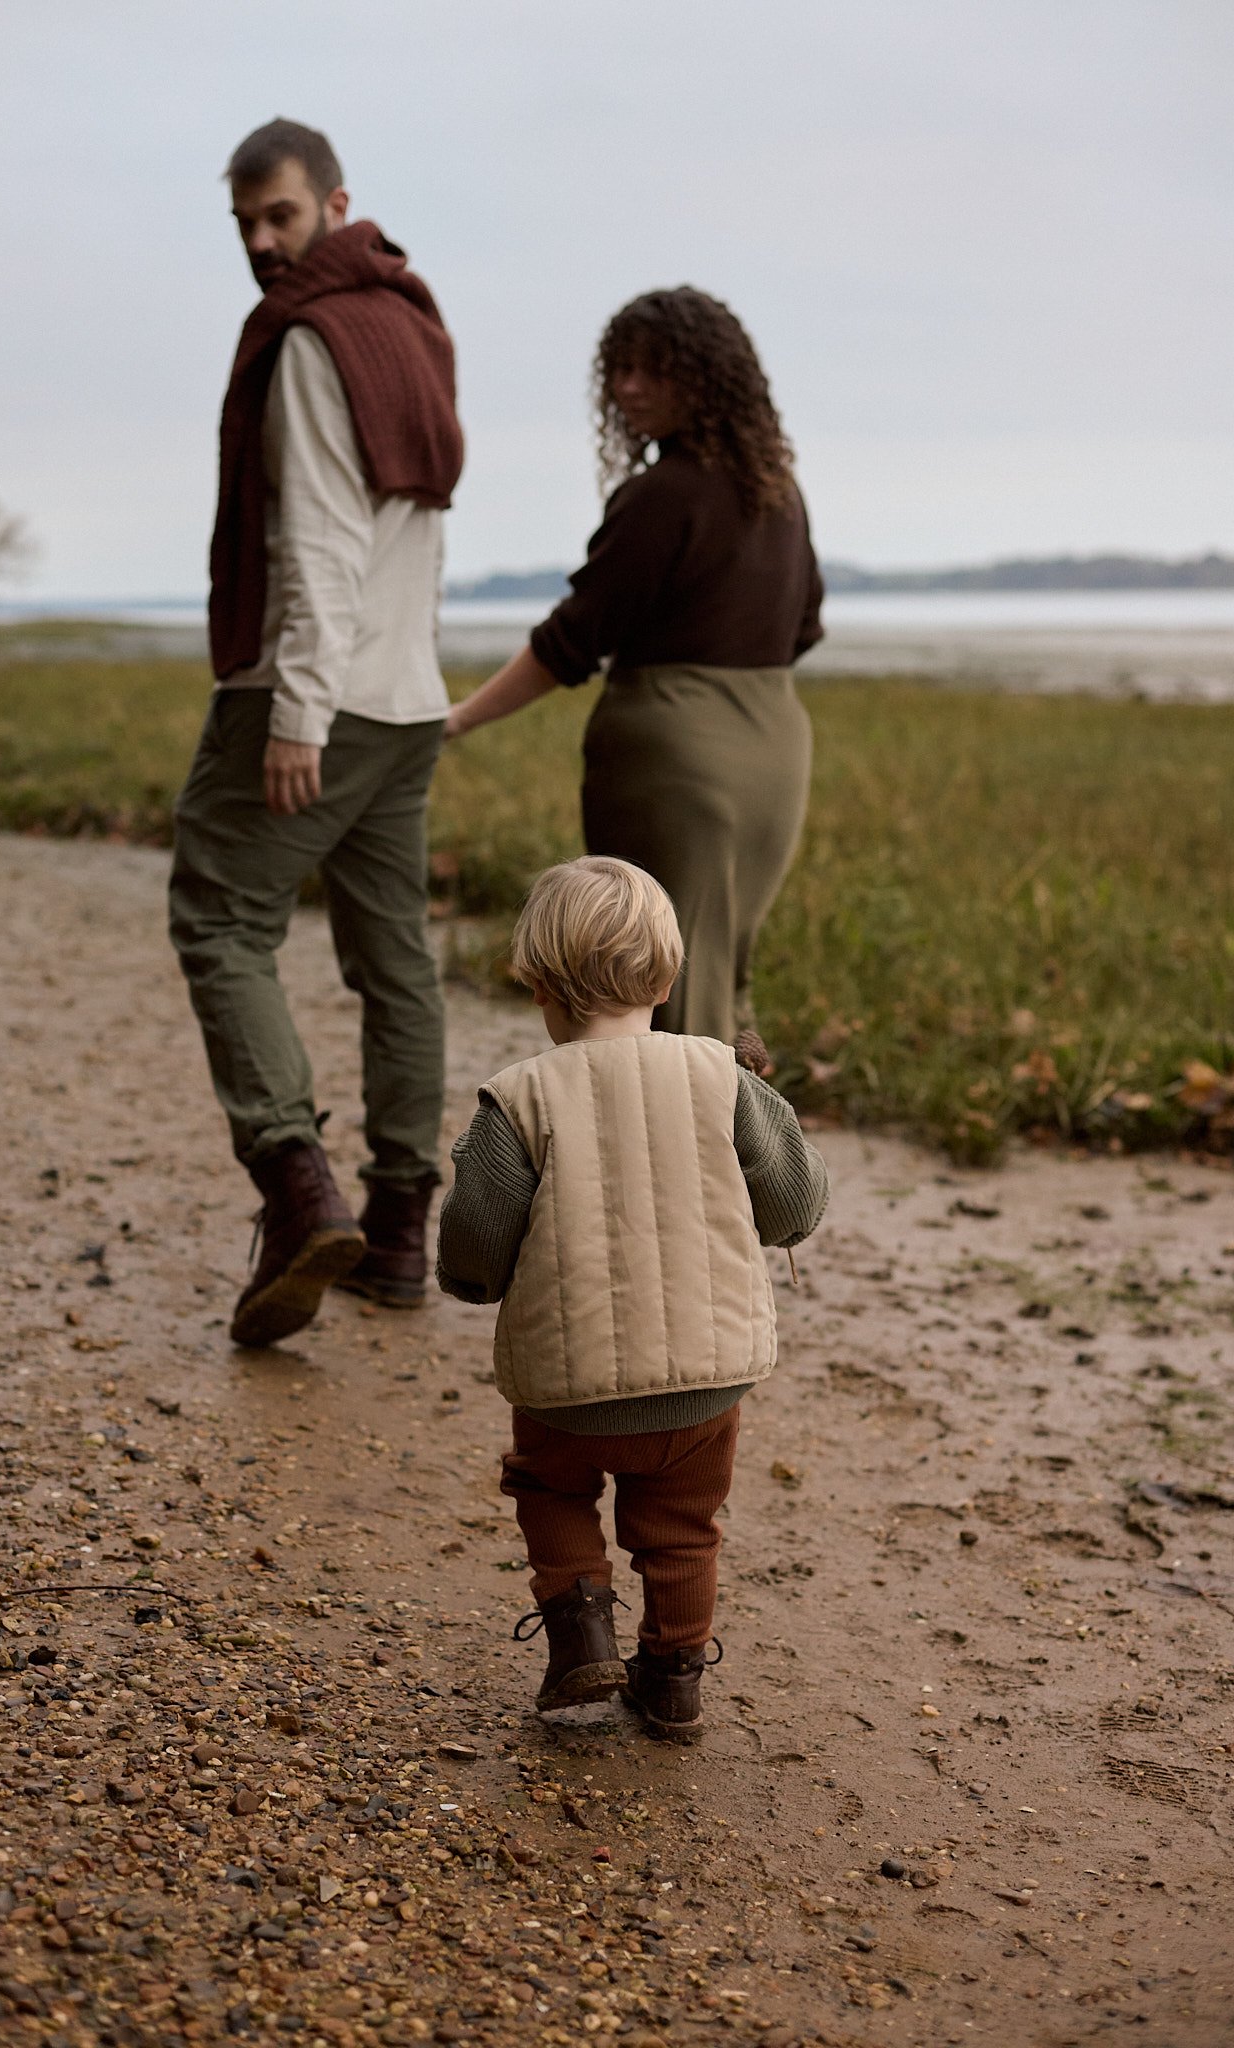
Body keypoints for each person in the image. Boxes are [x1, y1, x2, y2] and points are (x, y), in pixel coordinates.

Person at [169, 118, 463, 1349]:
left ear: (336, 201)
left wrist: (295, 710)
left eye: (279, 216)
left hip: (323, 696)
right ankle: (400, 1231)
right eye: (243, 224)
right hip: (406, 698)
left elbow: (325, 543)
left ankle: (297, 1188)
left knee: (218, 916)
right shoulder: (411, 323)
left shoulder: (306, 337)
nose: (259, 243)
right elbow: (418, 534)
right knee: (393, 957)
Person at [437, 857, 828, 1740]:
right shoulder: (724, 1076)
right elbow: (794, 1205)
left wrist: (473, 1284)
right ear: (670, 973)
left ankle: (580, 1635)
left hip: (566, 1394)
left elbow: (476, 1237)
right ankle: (674, 1681)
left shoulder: (519, 1099)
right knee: (684, 1526)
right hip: (705, 1380)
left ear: (536, 980)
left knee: (547, 1488)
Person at [444, 287, 824, 1048]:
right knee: (723, 976)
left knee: (650, 988)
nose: (628, 387)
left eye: (654, 370)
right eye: (620, 370)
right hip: (776, 759)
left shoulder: (661, 496)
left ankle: (680, 1160)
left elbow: (570, 643)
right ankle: (749, 1156)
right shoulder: (781, 495)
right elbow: (804, 626)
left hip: (675, 765)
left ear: (708, 378)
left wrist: (457, 720)